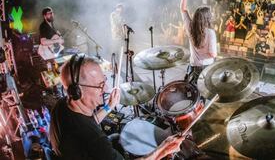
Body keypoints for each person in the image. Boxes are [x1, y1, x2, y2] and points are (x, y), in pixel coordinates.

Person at [49, 54, 184, 159]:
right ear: (78, 91)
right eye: (100, 85)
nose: (106, 88)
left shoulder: (62, 105)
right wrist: (163, 150)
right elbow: (89, 132)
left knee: (115, 137)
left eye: (104, 81)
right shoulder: (94, 139)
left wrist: (109, 106)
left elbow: (89, 122)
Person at [180, 0, 217, 84]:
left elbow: (182, 8)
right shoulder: (210, 33)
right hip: (206, 67)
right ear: (207, 18)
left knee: (193, 91)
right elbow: (213, 54)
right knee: (204, 93)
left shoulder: (190, 27)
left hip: (193, 66)